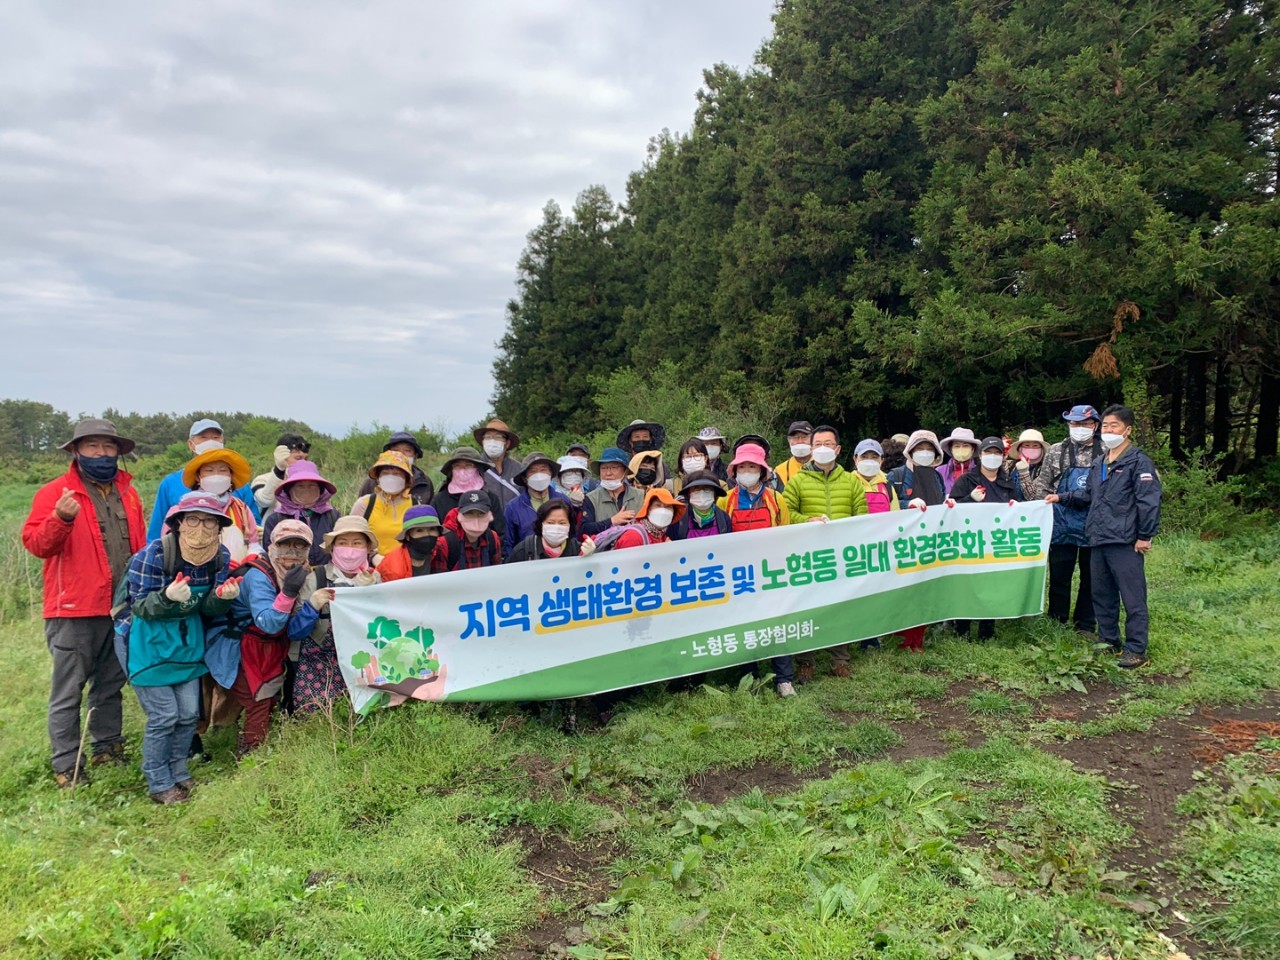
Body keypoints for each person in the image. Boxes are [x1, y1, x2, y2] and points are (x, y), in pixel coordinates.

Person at [22, 418, 147, 787]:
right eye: (93, 446)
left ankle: (107, 747)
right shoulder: (55, 492)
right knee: (68, 689)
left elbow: (137, 547)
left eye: (108, 448)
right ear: (76, 451)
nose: (102, 454)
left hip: (121, 606)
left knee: (111, 683)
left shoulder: (129, 493)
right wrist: (60, 518)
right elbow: (37, 545)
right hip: (73, 609)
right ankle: (67, 765)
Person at [119, 492, 240, 803]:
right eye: (193, 520)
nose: (201, 527)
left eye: (210, 521)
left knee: (187, 715)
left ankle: (179, 772)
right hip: (148, 645)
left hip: (187, 645)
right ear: (178, 523)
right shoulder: (154, 555)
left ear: (219, 527)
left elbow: (208, 609)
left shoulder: (220, 557)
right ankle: (158, 782)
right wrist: (166, 598)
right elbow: (141, 607)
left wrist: (221, 599)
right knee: (164, 716)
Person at [1046, 405, 1161, 668]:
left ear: (1128, 430)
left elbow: (1149, 501)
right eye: (1107, 425)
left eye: (1115, 426)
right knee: (1102, 594)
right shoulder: (1101, 462)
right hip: (1097, 539)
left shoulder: (1138, 462)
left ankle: (1136, 649)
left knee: (1132, 597)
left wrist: (1145, 535)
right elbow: (1088, 496)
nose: (1109, 430)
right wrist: (1061, 497)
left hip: (1125, 540)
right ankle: (1109, 642)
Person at [226, 519, 324, 753]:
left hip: (271, 646)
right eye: (285, 544)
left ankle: (249, 741)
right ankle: (251, 753)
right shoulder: (259, 576)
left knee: (266, 698)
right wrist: (289, 591)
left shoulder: (301, 572)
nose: (292, 551)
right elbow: (268, 622)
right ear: (272, 546)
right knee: (258, 699)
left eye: (299, 546)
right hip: (242, 646)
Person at [782, 425, 869, 681]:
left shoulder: (851, 481)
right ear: (810, 449)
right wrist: (807, 520)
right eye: (817, 444)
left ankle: (839, 659)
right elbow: (786, 514)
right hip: (809, 556)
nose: (822, 449)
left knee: (840, 607)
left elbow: (861, 515)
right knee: (806, 608)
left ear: (838, 449)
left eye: (828, 444)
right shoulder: (797, 481)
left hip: (842, 555)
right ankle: (805, 662)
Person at [716, 445, 797, 696]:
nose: (747, 471)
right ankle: (749, 679)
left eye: (752, 467)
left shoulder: (776, 499)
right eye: (742, 467)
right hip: (739, 576)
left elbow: (786, 532)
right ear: (735, 470)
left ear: (762, 471)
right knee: (743, 626)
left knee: (777, 624)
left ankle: (784, 679)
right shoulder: (725, 500)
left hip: (771, 572)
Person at [1030, 404, 1104, 635]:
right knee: (1060, 575)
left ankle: (1086, 623)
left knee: (1092, 577)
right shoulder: (1056, 450)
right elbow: (1042, 486)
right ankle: (1057, 620)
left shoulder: (1106, 450)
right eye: (1074, 423)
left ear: (1095, 425)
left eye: (1084, 424)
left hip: (1094, 523)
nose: (1079, 428)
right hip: (1061, 523)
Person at [294, 516, 380, 715]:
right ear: (332, 548)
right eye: (343, 543)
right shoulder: (316, 579)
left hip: (363, 663)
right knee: (317, 720)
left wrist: (369, 594)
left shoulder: (377, 578)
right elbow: (295, 631)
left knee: (365, 717)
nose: (349, 549)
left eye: (357, 543)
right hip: (319, 665)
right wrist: (312, 608)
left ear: (368, 548)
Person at [950, 437, 1025, 640]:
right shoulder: (966, 480)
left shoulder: (1007, 483)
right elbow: (951, 510)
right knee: (968, 585)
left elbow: (1015, 510)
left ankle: (987, 630)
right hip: (970, 543)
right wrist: (969, 500)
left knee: (991, 584)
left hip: (995, 544)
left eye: (997, 453)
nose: (992, 457)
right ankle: (962, 629)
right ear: (980, 455)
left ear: (1002, 457)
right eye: (987, 452)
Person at [852, 439, 920, 652]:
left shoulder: (886, 484)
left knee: (877, 592)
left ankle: (873, 637)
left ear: (881, 460)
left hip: (881, 546)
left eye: (874, 457)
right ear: (855, 459)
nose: (869, 461)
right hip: (855, 546)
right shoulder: (848, 482)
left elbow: (894, 515)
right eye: (865, 457)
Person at [148, 419, 260, 540]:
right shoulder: (170, 484)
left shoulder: (241, 488)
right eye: (204, 437)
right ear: (191, 444)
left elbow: (254, 526)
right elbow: (157, 530)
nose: (211, 442)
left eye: (216, 437)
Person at [181, 444, 259, 560]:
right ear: (198, 477)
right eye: (209, 470)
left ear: (231, 476)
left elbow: (254, 543)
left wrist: (252, 556)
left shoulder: (241, 508)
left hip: (238, 574)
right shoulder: (182, 510)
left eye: (223, 470)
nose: (216, 475)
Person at [262, 460, 339, 566]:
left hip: (326, 578)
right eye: (300, 486)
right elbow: (270, 553)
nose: (306, 490)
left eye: (311, 485)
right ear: (290, 489)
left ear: (320, 488)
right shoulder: (275, 519)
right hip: (288, 578)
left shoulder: (332, 516)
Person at [503, 452, 571, 556]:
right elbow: (508, 544)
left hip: (561, 561)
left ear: (551, 474)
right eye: (533, 471)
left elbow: (572, 535)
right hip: (527, 563)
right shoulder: (513, 507)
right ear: (525, 478)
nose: (539, 475)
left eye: (543, 470)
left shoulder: (564, 501)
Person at [431, 447, 507, 539]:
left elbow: (501, 534)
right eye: (457, 465)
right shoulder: (439, 500)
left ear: (478, 469)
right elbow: (433, 533)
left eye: (469, 465)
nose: (463, 470)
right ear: (451, 470)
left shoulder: (491, 498)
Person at [350, 451, 415, 556]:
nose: (391, 478)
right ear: (378, 477)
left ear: (406, 478)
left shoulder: (415, 505)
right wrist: (373, 557)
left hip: (407, 568)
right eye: (385, 473)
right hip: (373, 568)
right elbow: (351, 540)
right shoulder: (365, 504)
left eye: (396, 474)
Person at [354, 431, 436, 506]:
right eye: (396, 450)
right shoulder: (372, 482)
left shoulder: (424, 483)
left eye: (407, 450)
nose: (401, 454)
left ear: (415, 456)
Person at [432, 491, 504, 571]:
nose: (475, 521)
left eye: (481, 514)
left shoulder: (493, 538)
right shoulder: (444, 544)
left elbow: (496, 572)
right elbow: (440, 579)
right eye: (469, 513)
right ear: (460, 515)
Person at [582, 447, 644, 536]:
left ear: (625, 471)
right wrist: (612, 521)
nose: (608, 473)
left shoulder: (640, 496)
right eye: (604, 468)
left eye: (614, 468)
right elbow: (585, 529)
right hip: (605, 549)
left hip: (636, 548)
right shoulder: (591, 498)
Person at [507, 498, 592, 562]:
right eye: (550, 523)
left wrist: (589, 557)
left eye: (562, 523)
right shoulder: (523, 550)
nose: (556, 527)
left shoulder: (578, 549)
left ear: (570, 525)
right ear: (541, 524)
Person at [887, 430, 948, 512]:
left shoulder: (937, 476)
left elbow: (941, 500)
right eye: (920, 448)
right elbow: (886, 505)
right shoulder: (896, 476)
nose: (925, 452)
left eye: (930, 449)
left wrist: (947, 501)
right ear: (911, 451)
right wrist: (907, 504)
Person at [379, 506, 444, 581]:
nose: (427, 534)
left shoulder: (441, 551)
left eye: (432, 529)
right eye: (419, 530)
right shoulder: (393, 566)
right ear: (407, 536)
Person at [251, 433, 311, 515]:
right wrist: (279, 470)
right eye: (298, 458)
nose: (303, 462)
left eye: (306, 459)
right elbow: (264, 501)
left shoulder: (311, 483)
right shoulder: (262, 480)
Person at [611, 486, 685, 549]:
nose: (663, 511)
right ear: (648, 509)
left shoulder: (660, 535)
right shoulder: (633, 536)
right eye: (658, 505)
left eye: (668, 507)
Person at [474, 418, 523, 508]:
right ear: (483, 442)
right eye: (488, 437)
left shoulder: (518, 469)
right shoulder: (475, 468)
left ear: (507, 443)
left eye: (498, 437)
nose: (492, 441)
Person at [670, 470, 731, 539]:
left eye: (707, 488)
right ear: (688, 493)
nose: (702, 493)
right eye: (696, 489)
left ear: (715, 494)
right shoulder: (678, 519)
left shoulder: (724, 519)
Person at [617, 419, 673, 488]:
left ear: (650, 440)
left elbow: (668, 487)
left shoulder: (660, 466)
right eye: (637, 437)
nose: (641, 439)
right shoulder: (624, 465)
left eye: (645, 436)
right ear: (630, 441)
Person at [1008, 428, 1048, 500]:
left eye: (1035, 445)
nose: (1031, 448)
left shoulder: (1045, 469)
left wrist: (1024, 473)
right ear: (1020, 448)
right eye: (1027, 445)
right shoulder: (1011, 465)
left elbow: (1033, 497)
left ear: (1042, 449)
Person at [938, 427, 979, 496]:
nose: (961, 449)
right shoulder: (939, 472)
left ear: (973, 449)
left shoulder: (979, 472)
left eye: (966, 446)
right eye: (957, 446)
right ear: (951, 449)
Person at [774, 421, 814, 488]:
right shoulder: (779, 471)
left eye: (804, 437)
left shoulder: (823, 466)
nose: (800, 441)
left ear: (813, 439)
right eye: (795, 437)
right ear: (789, 441)